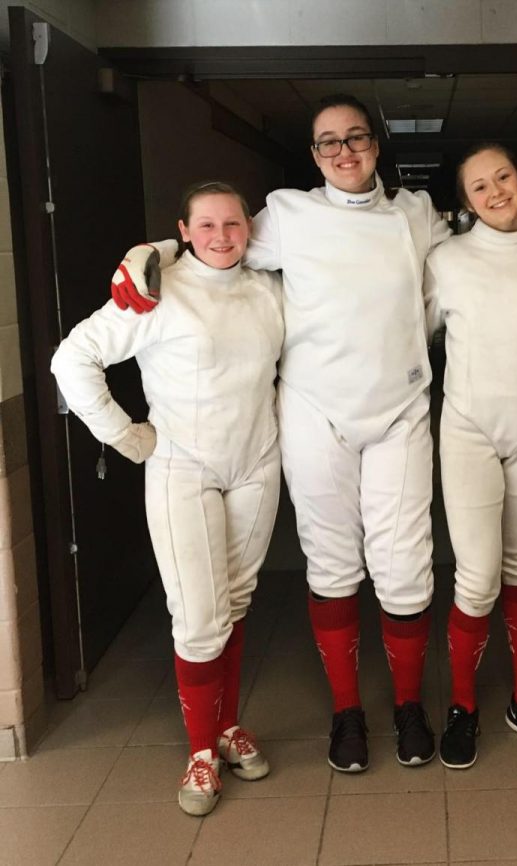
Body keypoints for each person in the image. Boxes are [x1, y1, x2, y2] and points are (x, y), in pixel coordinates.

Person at [109, 94, 452, 773]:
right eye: (328, 142)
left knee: (406, 570)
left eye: (356, 137)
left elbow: (475, 251)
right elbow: (216, 239)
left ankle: (408, 707)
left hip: (401, 412)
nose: (344, 150)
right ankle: (346, 713)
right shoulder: (290, 213)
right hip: (316, 412)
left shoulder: (415, 213)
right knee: (332, 564)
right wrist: (148, 255)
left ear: (377, 146)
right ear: (314, 154)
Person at [52, 181, 284, 816]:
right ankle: (201, 752)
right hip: (184, 467)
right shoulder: (157, 293)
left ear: (248, 227)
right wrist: (125, 436)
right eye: (204, 225)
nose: (221, 235)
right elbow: (72, 360)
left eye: (232, 223)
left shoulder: (268, 289)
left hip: (258, 462)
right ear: (183, 230)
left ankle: (228, 727)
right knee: (198, 617)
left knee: (236, 603)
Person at [423, 144, 517, 768]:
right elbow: (418, 330)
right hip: (469, 429)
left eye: (503, 178)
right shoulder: (446, 261)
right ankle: (463, 706)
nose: (494, 192)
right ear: (464, 201)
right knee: (477, 574)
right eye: (479, 186)